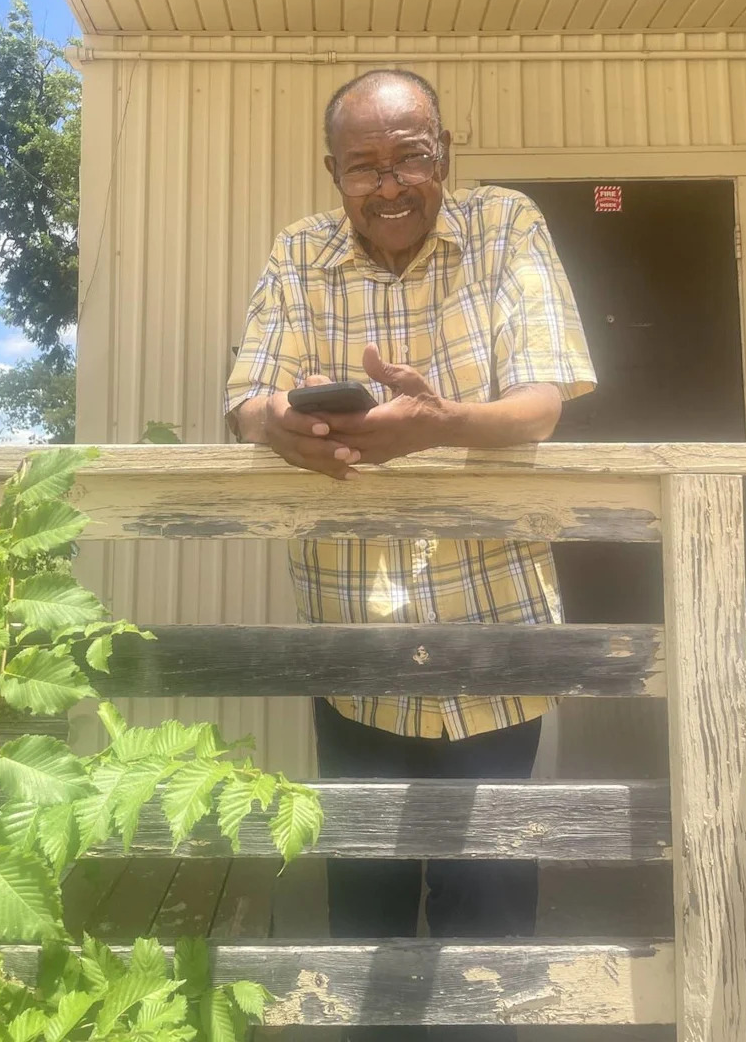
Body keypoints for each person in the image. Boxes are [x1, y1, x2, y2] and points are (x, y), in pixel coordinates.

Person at [224, 69, 595, 1041]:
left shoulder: (506, 226)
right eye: (364, 166)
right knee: (369, 914)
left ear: (446, 153)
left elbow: (541, 402)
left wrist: (440, 424)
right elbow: (246, 392)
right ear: (332, 173)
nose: (390, 184)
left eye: (411, 157)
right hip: (353, 644)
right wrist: (278, 424)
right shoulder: (298, 251)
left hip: (497, 638)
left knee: (487, 920)